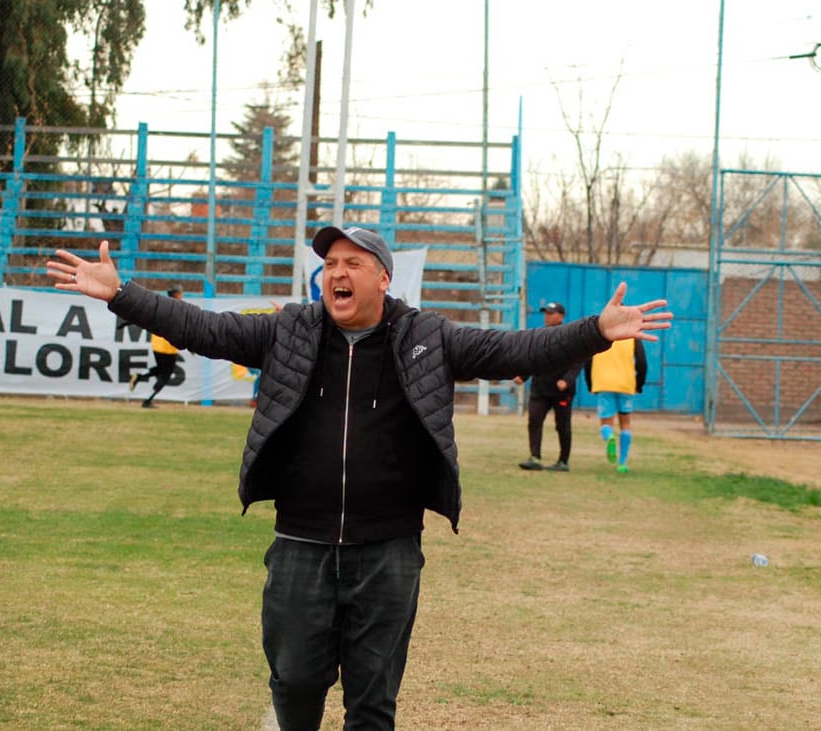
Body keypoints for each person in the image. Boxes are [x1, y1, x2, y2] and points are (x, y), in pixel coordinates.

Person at [46, 226, 672, 730]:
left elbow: (514, 349)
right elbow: (206, 329)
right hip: (299, 544)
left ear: (381, 276)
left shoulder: (427, 337)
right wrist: (122, 293)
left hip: (389, 551)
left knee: (373, 704)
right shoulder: (289, 330)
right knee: (293, 685)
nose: (336, 273)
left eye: (351, 262)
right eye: (329, 263)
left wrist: (593, 333)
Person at [514, 301, 583, 472]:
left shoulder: (570, 335)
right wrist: (523, 376)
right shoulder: (539, 334)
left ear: (561, 316)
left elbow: (580, 360)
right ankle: (535, 457)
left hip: (561, 391)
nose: (547, 316)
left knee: (562, 425)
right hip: (540, 388)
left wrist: (567, 380)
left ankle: (563, 461)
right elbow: (533, 358)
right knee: (534, 421)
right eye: (546, 313)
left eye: (551, 313)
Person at [583, 337, 647, 474]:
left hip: (603, 383)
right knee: (625, 423)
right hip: (625, 384)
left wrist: (590, 383)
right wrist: (639, 384)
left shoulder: (600, 334)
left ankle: (610, 437)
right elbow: (642, 362)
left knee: (606, 422)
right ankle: (622, 463)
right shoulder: (632, 337)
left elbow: (588, 360)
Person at [127, 286, 185, 408]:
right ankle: (148, 400)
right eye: (180, 293)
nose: (182, 295)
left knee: (161, 369)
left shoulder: (162, 304)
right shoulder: (178, 308)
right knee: (165, 375)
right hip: (168, 347)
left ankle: (140, 376)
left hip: (157, 344)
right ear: (176, 294)